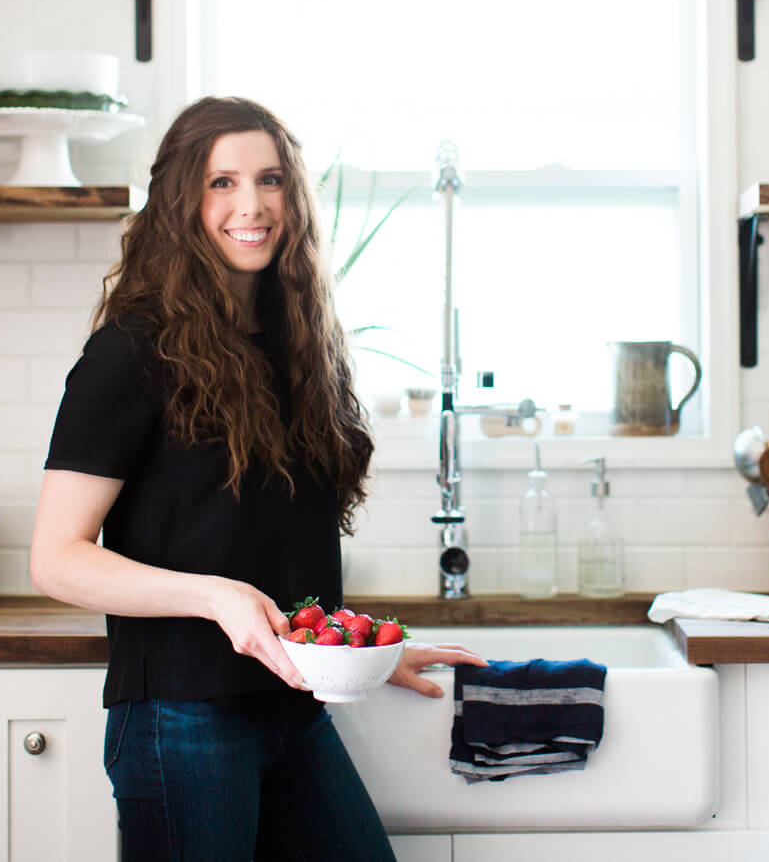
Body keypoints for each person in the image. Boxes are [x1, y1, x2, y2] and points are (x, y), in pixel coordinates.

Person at [29, 96, 485, 861]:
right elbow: (56, 557)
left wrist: (359, 653)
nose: (252, 205)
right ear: (180, 201)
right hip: (182, 720)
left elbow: (263, 544)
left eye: (270, 180)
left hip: (294, 707)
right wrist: (215, 598)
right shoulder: (132, 351)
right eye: (221, 183)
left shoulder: (298, 349)